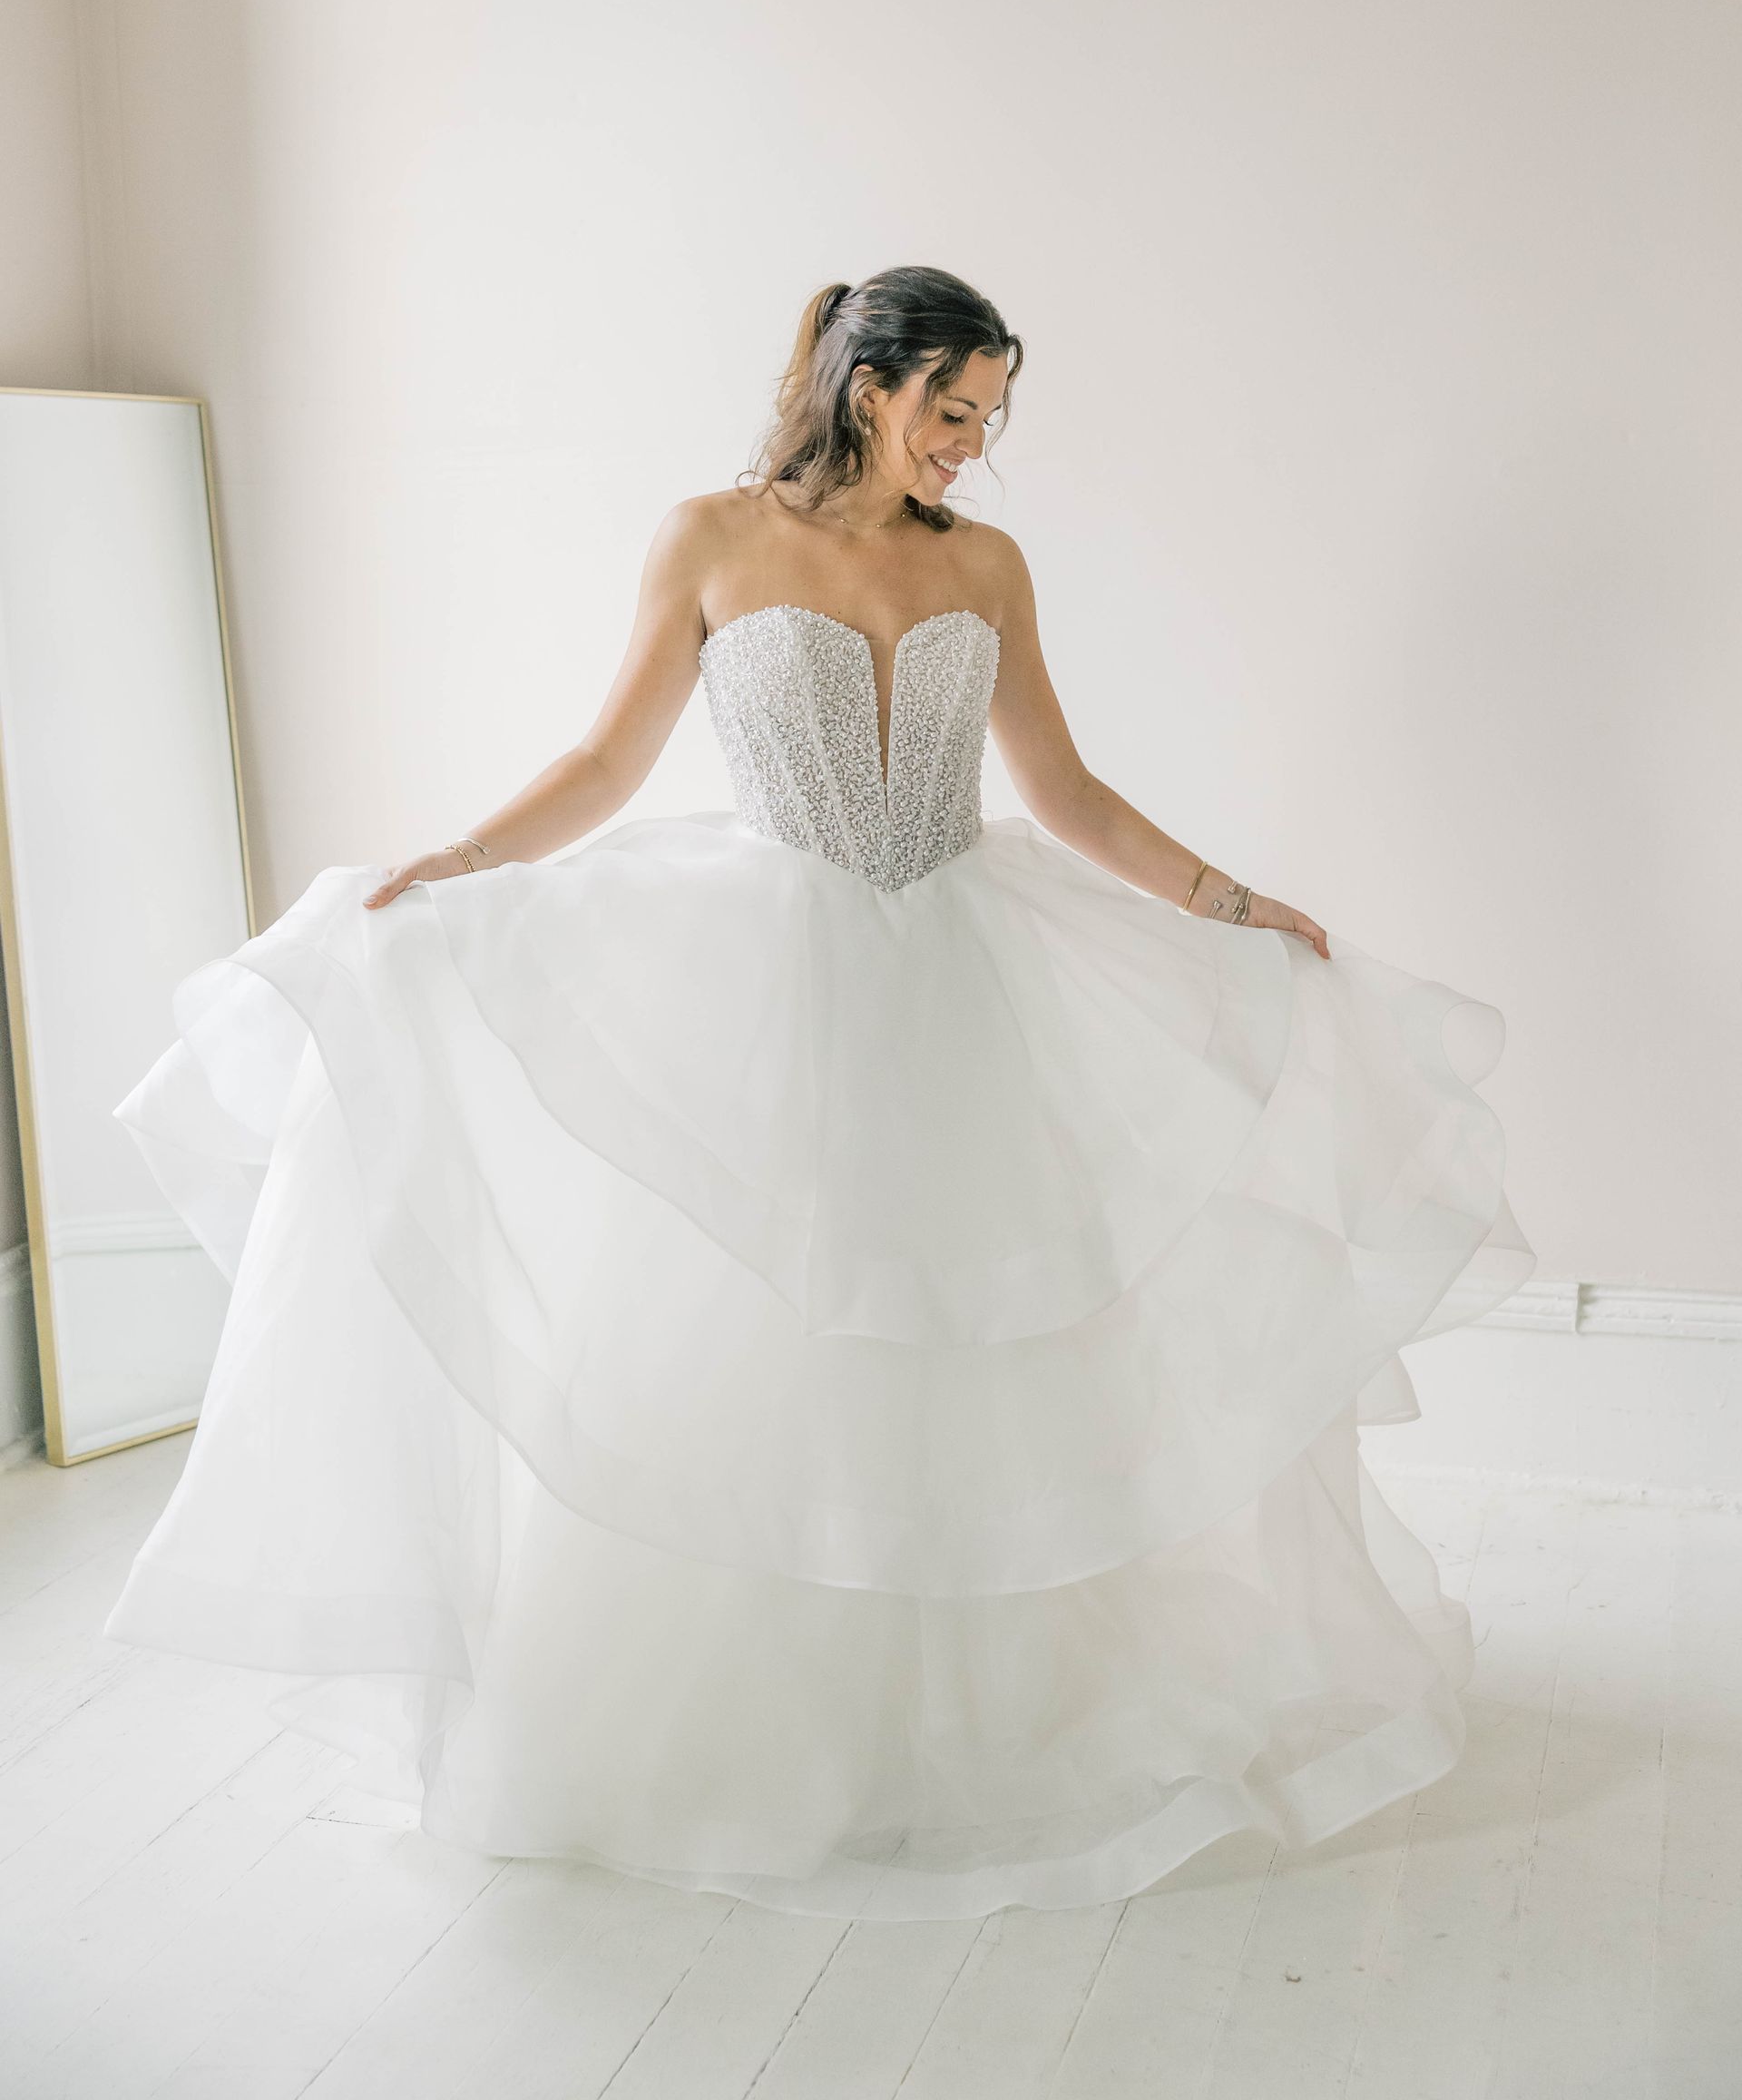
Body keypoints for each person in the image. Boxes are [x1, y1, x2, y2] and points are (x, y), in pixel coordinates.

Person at [103, 265, 1535, 1921]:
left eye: (991, 420)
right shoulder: (710, 541)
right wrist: (463, 861)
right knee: (770, 1347)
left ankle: (985, 1724)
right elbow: (609, 760)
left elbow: (1059, 789)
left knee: (976, 1352)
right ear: (872, 387)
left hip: (965, 990)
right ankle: (778, 1735)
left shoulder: (984, 565)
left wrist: (1228, 900)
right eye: (952, 410)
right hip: (772, 985)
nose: (971, 449)